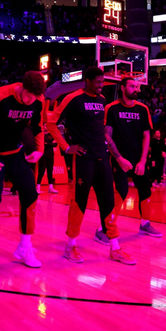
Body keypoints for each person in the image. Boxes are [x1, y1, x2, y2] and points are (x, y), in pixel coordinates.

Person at [47, 66, 135, 265]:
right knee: (80, 202)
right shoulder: (72, 98)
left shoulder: (102, 100)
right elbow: (51, 123)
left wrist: (116, 156)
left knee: (109, 202)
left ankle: (115, 248)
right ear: (87, 81)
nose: (101, 85)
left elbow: (101, 130)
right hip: (83, 158)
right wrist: (66, 147)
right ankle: (70, 246)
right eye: (98, 82)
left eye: (103, 82)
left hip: (102, 157)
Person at [0, 71, 46, 274]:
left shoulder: (38, 101)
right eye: (28, 95)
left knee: (30, 194)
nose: (30, 100)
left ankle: (25, 246)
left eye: (34, 97)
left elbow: (38, 127)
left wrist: (39, 150)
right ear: (22, 86)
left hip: (15, 152)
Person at [105, 77, 162, 239]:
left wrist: (143, 161)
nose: (136, 89)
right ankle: (106, 227)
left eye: (137, 86)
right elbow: (107, 136)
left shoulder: (143, 109)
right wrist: (119, 159)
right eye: (132, 86)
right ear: (122, 88)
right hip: (119, 159)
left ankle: (145, 224)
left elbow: (146, 136)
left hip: (139, 160)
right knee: (121, 191)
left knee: (145, 190)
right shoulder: (111, 108)